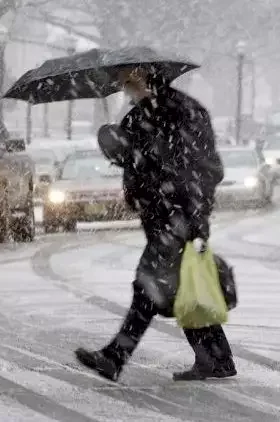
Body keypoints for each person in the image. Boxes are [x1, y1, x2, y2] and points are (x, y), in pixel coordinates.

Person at [75, 65, 237, 381]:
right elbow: (131, 158)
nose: (121, 84)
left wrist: (193, 215)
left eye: (126, 76)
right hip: (159, 217)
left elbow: (207, 169)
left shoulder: (184, 111)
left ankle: (114, 357)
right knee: (182, 287)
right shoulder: (137, 115)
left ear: (144, 73)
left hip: (179, 217)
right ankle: (218, 359)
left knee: (147, 287)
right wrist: (116, 145)